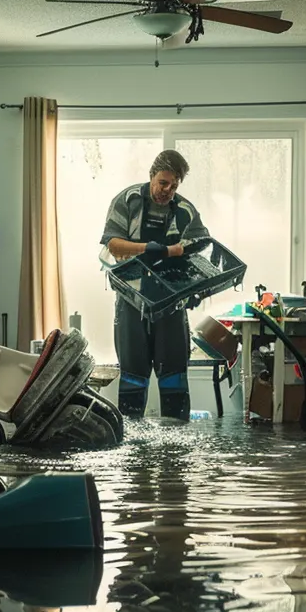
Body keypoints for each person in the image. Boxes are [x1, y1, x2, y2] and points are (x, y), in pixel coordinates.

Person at [100, 150, 212, 420]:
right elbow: (113, 244)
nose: (167, 191)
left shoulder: (185, 211)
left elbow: (200, 247)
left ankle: (176, 442)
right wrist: (152, 249)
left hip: (171, 301)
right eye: (163, 183)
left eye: (174, 186)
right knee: (133, 373)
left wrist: (197, 287)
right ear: (152, 176)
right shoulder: (128, 201)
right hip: (131, 299)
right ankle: (132, 439)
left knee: (173, 373)